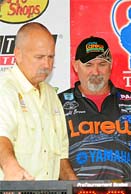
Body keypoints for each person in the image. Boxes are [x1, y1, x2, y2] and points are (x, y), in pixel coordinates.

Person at [58, 36, 131, 182]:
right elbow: (52, 155)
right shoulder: (58, 104)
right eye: (88, 65)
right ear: (75, 66)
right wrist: (76, 192)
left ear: (111, 65)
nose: (96, 72)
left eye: (102, 64)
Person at [0, 22, 77, 181]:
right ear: (18, 54)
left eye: (51, 57)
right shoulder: (5, 89)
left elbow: (61, 157)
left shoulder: (51, 94)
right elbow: (2, 137)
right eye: (39, 57)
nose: (47, 64)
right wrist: (10, 167)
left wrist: (77, 192)